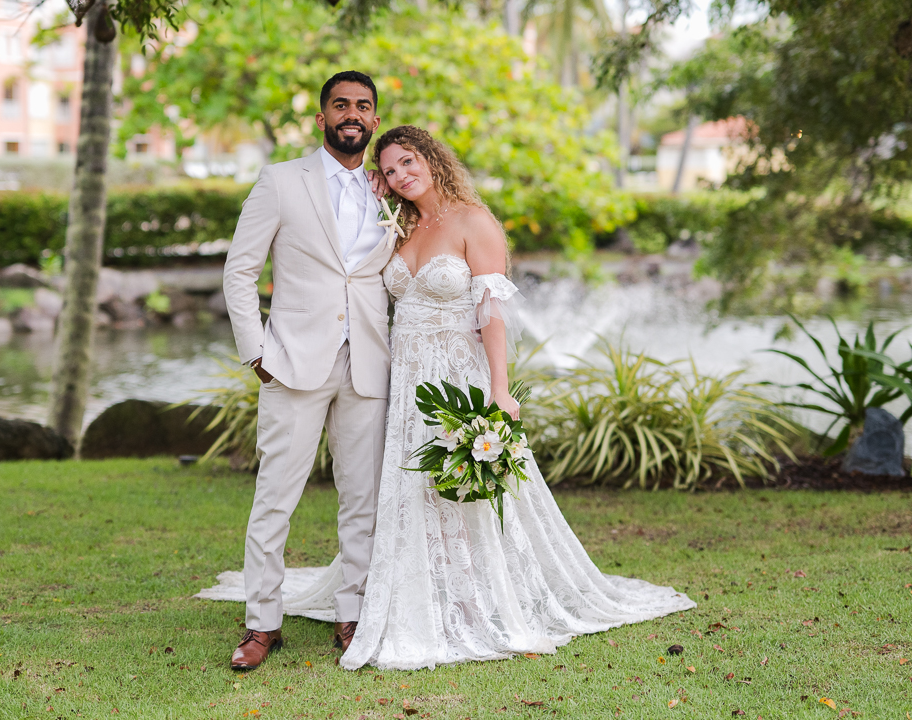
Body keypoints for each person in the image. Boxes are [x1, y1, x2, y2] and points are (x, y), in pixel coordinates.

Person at [202, 123, 694, 671]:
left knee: (459, 485)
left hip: (457, 374)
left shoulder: (473, 222)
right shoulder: (399, 225)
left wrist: (500, 391)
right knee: (404, 487)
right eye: (388, 170)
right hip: (402, 377)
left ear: (433, 159)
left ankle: (467, 594)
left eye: (408, 162)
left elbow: (493, 313)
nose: (400, 175)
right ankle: (359, 598)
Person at [217, 71, 397, 671]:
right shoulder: (278, 181)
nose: (353, 113)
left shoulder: (388, 189)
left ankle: (353, 613)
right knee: (276, 498)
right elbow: (240, 270)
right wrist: (257, 353)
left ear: (374, 120)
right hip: (292, 363)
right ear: (322, 118)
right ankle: (261, 622)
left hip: (370, 362)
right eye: (341, 104)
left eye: (363, 106)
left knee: (362, 498)